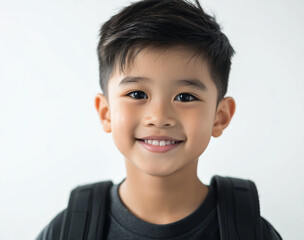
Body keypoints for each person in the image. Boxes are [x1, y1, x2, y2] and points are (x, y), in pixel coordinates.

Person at [36, 0, 282, 239]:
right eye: (137, 94)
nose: (159, 117)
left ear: (220, 117)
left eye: (185, 97)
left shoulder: (253, 231)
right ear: (106, 112)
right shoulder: (66, 231)